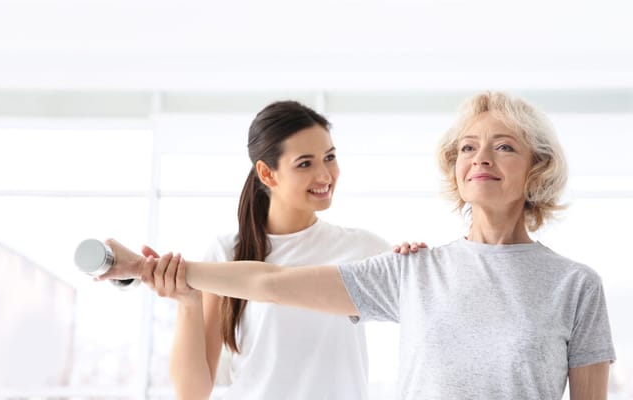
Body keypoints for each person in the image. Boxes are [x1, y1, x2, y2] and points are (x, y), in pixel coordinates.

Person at [100, 91, 616, 399]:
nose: (481, 157)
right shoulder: (412, 272)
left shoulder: (575, 285)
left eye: (504, 147)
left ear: (537, 169)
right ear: (454, 169)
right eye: (467, 147)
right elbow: (268, 280)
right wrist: (153, 270)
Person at [139, 100, 417, 399]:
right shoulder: (227, 253)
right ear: (267, 173)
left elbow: (423, 308)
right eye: (305, 163)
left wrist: (413, 262)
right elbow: (192, 392)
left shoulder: (362, 247)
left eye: (330, 157)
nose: (324, 175)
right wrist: (187, 302)